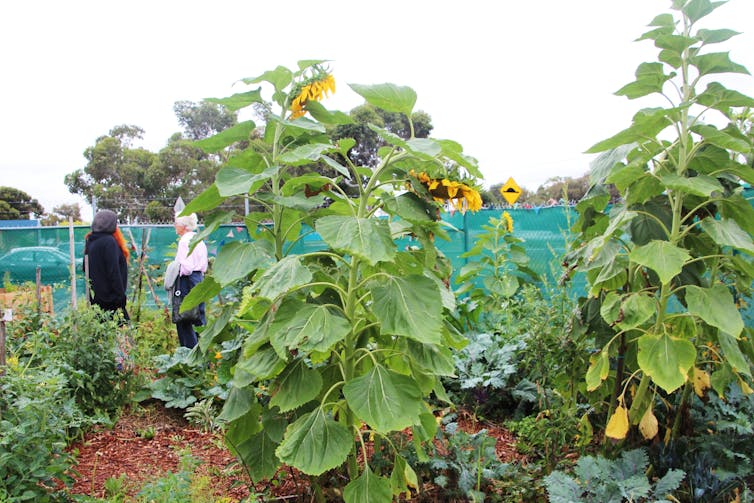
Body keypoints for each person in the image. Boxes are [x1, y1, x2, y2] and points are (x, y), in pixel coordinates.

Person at [84, 209, 130, 322]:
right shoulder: (109, 242)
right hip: (112, 299)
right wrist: (120, 296)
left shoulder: (91, 240)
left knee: (103, 332)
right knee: (123, 331)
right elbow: (113, 271)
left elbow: (85, 268)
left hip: (98, 298)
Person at [173, 212, 208, 348]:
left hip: (186, 280)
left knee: (185, 317)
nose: (175, 225)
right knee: (199, 316)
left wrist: (174, 271)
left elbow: (186, 267)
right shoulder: (198, 239)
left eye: (176, 222)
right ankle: (202, 352)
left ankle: (189, 353)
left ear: (183, 225)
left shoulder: (184, 241)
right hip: (199, 278)